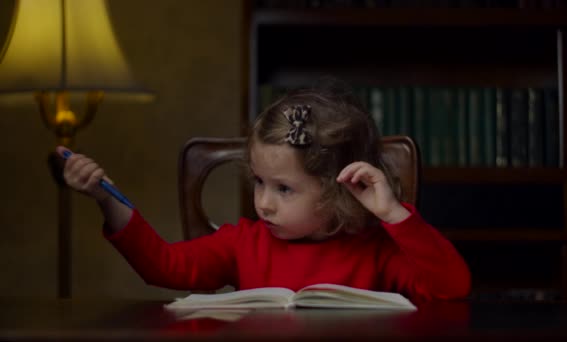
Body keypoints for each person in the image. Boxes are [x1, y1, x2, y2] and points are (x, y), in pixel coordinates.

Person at [57, 80, 470, 303]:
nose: (264, 203)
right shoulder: (244, 242)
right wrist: (107, 200)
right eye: (258, 181)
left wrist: (395, 215)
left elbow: (452, 289)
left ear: (340, 188)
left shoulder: (375, 249)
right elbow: (163, 265)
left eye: (285, 189)